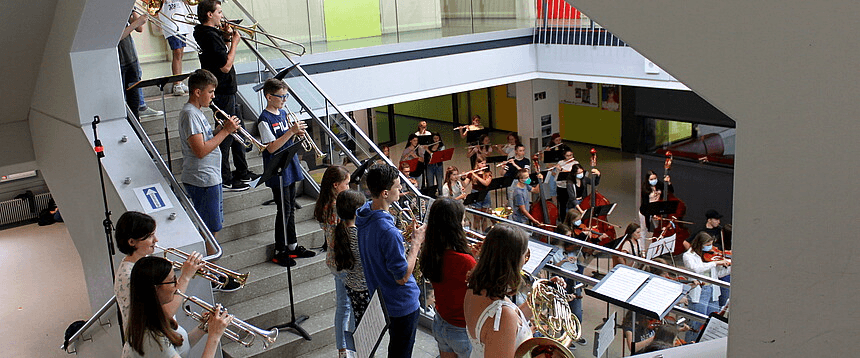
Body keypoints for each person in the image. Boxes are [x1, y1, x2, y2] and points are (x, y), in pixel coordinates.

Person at [356, 164, 426, 357]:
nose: (401, 188)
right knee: (401, 352)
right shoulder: (387, 231)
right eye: (397, 185)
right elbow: (402, 277)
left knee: (395, 348)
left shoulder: (364, 213)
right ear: (385, 193)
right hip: (401, 304)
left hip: (383, 299)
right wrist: (416, 243)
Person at [464, 224, 562, 357]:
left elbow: (508, 323)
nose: (525, 261)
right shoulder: (502, 316)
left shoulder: (476, 287)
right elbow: (504, 322)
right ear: (513, 262)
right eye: (524, 255)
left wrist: (538, 298)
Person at [194, 0, 254, 191]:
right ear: (209, 14)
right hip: (222, 90)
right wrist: (235, 43)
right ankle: (225, 177)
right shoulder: (208, 35)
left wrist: (227, 38)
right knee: (226, 134)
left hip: (227, 89)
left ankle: (242, 172)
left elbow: (222, 55)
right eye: (219, 12)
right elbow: (225, 66)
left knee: (237, 130)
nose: (222, 15)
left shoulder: (212, 33)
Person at [256, 78, 316, 267]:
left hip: (290, 165)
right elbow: (271, 148)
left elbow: (286, 140)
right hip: (278, 170)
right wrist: (291, 132)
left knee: (290, 210)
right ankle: (279, 250)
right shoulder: (264, 119)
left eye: (286, 96)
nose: (284, 100)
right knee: (283, 211)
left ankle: (292, 245)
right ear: (269, 97)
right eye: (281, 96)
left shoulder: (282, 113)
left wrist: (296, 134)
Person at [121, 256, 231, 358]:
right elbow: (166, 349)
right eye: (172, 280)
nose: (177, 284)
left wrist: (204, 327)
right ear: (155, 289)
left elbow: (180, 348)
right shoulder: (153, 339)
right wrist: (214, 337)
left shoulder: (154, 315)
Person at [178, 69, 239, 248]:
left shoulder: (197, 112)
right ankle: (210, 264)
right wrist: (226, 131)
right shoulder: (190, 114)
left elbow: (204, 140)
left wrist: (218, 130)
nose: (213, 96)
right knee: (210, 230)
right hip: (202, 179)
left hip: (210, 176)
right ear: (198, 92)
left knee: (214, 227)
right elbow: (200, 150)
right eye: (210, 92)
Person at [114, 211, 204, 327]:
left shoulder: (143, 261)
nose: (156, 240)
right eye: (149, 236)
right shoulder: (129, 276)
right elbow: (165, 314)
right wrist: (185, 277)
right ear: (132, 242)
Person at [419, 198, 476, 358]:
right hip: (461, 329)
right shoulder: (466, 261)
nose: (464, 223)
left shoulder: (430, 252)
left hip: (441, 321)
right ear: (454, 225)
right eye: (462, 220)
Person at [313, 165, 352, 355]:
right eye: (347, 184)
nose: (349, 188)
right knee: (347, 307)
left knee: (344, 306)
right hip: (343, 261)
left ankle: (343, 349)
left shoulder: (324, 204)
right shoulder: (338, 207)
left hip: (333, 260)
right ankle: (346, 347)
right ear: (336, 185)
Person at [329, 190, 367, 358]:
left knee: (343, 309)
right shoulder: (358, 235)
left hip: (344, 276)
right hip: (359, 286)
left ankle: (343, 351)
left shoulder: (338, 229)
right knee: (355, 317)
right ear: (358, 211)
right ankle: (353, 350)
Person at [682, 231, 731, 341]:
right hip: (699, 291)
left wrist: (730, 266)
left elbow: (719, 274)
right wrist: (716, 263)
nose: (710, 247)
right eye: (708, 245)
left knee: (711, 321)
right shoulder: (688, 256)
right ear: (700, 244)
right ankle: (690, 343)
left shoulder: (710, 256)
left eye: (711, 244)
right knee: (696, 322)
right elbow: (697, 269)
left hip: (713, 290)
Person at [119, 11, 163, 121]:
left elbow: (139, 29)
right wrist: (137, 22)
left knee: (134, 102)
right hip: (120, 60)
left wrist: (133, 11)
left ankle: (137, 120)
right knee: (124, 101)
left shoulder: (122, 8)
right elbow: (117, 37)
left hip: (131, 58)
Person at [335, 190, 370, 325]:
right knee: (366, 324)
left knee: (358, 319)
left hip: (352, 285)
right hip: (363, 287)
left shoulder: (342, 228)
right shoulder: (356, 235)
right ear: (357, 212)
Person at [158, 0, 195, 96]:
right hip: (170, 23)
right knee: (177, 52)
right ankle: (176, 84)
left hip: (181, 22)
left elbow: (188, 2)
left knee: (180, 53)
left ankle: (179, 80)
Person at [466, 157, 493, 233]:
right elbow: (464, 184)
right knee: (477, 217)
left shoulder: (488, 173)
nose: (484, 165)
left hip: (485, 194)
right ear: (477, 164)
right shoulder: (472, 173)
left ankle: (484, 234)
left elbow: (486, 183)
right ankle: (476, 233)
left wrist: (476, 176)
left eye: (485, 163)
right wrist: (463, 178)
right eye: (482, 163)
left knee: (484, 217)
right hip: (476, 194)